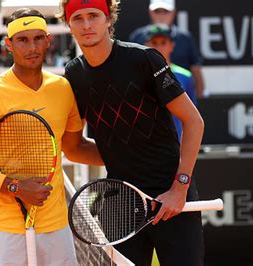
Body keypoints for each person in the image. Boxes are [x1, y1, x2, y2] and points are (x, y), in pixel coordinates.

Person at [58, 0, 205, 265]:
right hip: (119, 201)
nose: (87, 24)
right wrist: (123, 156)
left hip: (170, 195)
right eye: (78, 18)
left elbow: (194, 121)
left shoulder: (144, 59)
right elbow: (74, 148)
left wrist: (179, 188)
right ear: (68, 25)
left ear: (108, 19)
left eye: (93, 15)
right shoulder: (73, 74)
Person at [0, 8, 102, 265]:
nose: (31, 47)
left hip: (56, 227)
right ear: (9, 44)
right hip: (3, 230)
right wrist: (17, 188)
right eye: (22, 40)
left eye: (37, 38)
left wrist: (129, 156)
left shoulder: (63, 89)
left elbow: (75, 148)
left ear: (48, 40)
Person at [129, 0, 205, 98]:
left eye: (165, 11)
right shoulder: (137, 36)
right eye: (157, 11)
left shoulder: (185, 39)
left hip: (180, 93)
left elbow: (196, 70)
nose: (161, 15)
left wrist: (199, 99)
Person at [145, 23, 197, 139]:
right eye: (154, 43)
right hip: (145, 147)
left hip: (175, 146)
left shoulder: (185, 76)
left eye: (163, 43)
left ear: (172, 46)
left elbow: (192, 117)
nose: (159, 47)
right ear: (146, 45)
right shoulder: (137, 74)